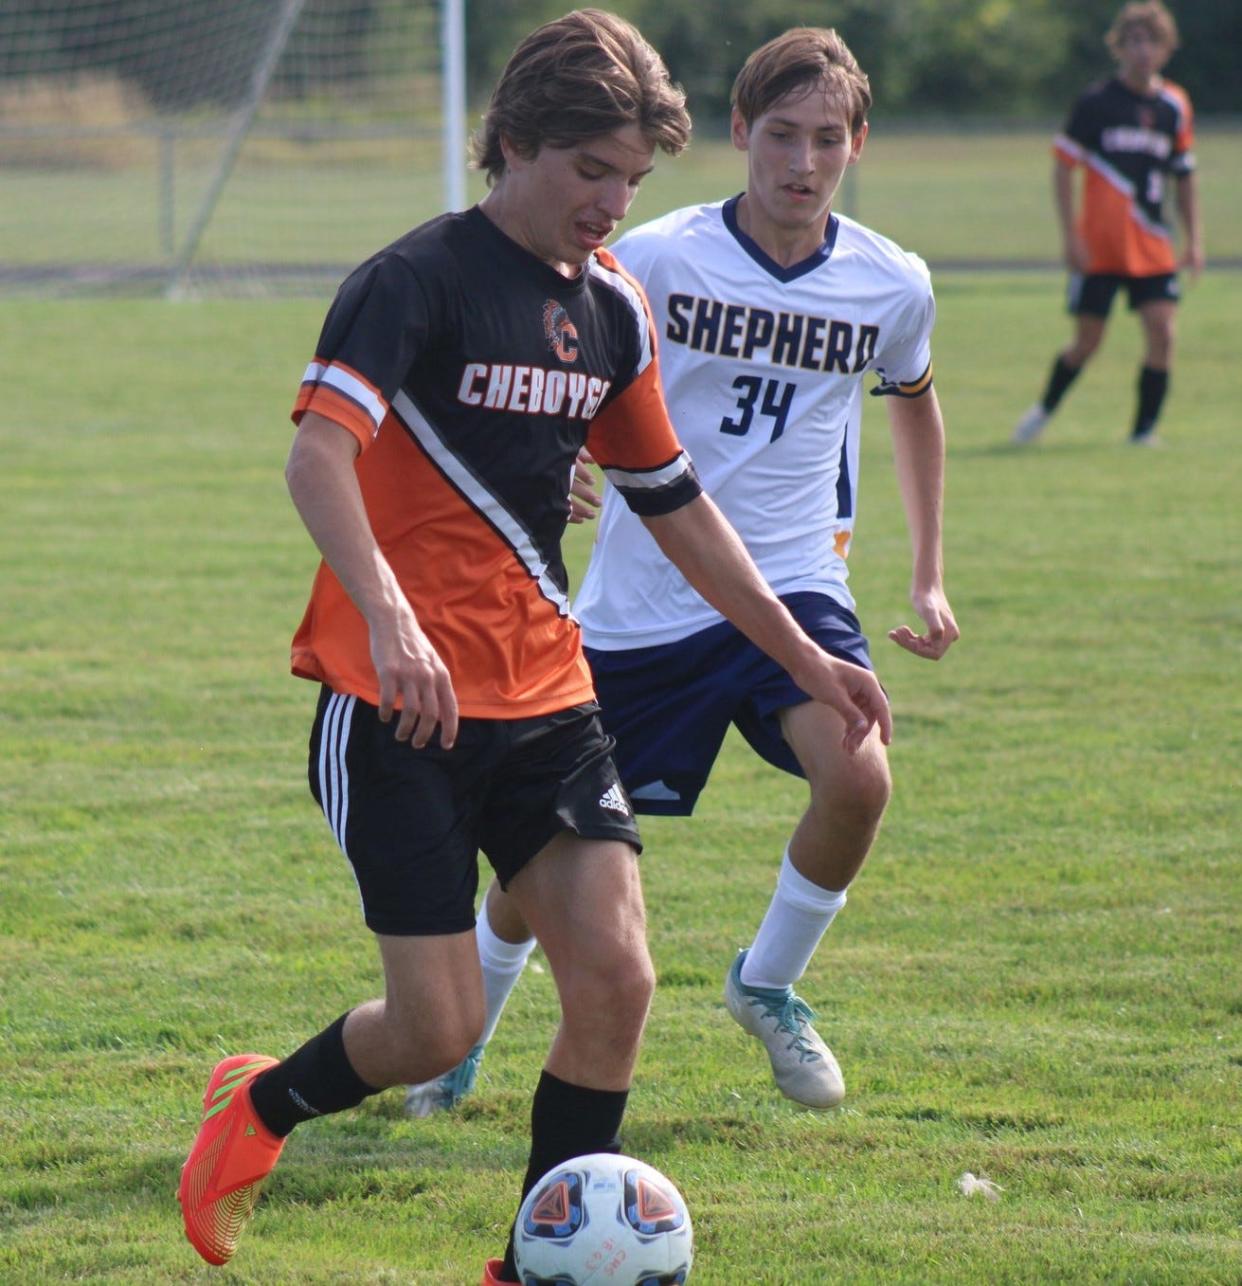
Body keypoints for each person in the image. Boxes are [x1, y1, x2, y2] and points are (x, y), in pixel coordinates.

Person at [175, 11, 892, 1284]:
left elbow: (673, 500)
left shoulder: (614, 311)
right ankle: (261, 1106)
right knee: (434, 1023)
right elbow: (317, 454)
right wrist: (390, 614)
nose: (611, 203)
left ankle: (530, 1260)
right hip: (391, 702)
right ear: (511, 144)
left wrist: (800, 652)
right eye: (589, 171)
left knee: (617, 980)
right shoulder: (414, 280)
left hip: (548, 692)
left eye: (632, 178)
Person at [406, 26, 956, 1122]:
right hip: (644, 603)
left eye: (829, 141)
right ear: (742, 132)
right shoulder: (652, 257)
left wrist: (929, 573)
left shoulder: (892, 284)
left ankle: (768, 982)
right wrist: (556, 457)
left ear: (858, 144)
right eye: (782, 136)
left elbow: (916, 404)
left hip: (793, 582)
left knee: (861, 773)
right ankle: (466, 1033)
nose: (802, 164)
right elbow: (568, 355)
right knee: (535, 868)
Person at [1012, 0, 1203, 446]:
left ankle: (1143, 433)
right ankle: (1042, 411)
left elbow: (1185, 177)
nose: (1142, 51)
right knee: (1087, 343)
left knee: (1163, 332)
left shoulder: (1175, 106)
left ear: (1166, 48)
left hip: (1153, 244)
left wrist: (1194, 241)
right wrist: (1070, 236)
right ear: (1119, 47)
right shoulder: (1097, 103)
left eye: (1151, 41)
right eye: (1133, 41)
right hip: (1101, 246)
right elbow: (1063, 166)